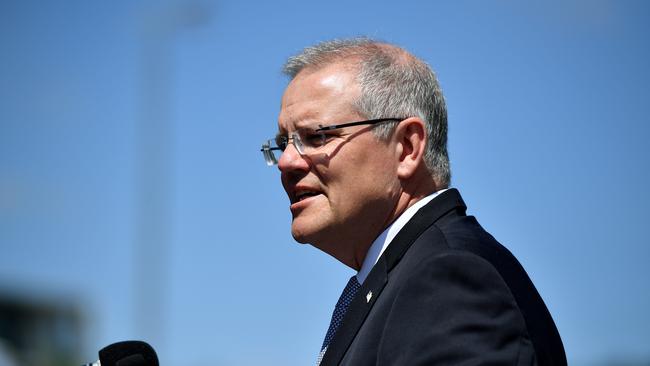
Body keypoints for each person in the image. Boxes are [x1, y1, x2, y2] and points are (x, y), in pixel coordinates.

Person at [260, 38, 567, 366]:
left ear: (407, 147)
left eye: (317, 136)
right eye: (283, 143)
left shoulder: (447, 280)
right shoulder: (409, 275)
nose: (287, 161)